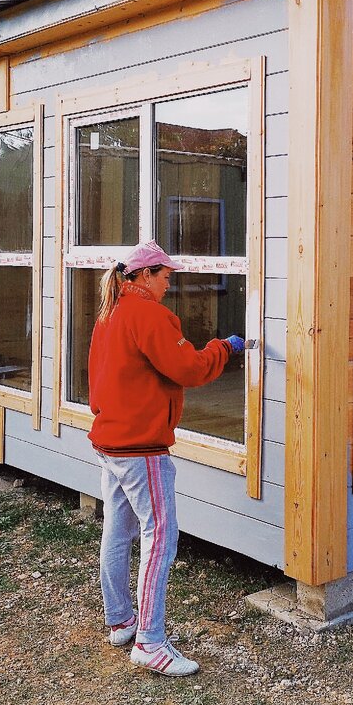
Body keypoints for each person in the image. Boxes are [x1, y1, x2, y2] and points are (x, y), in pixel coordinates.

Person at [87, 239, 244, 677]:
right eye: (165, 275)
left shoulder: (111, 311)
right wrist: (225, 348)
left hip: (111, 440)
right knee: (161, 537)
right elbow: (188, 369)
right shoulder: (147, 314)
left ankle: (121, 622)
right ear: (144, 275)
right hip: (141, 446)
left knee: (118, 533)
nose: (169, 282)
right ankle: (150, 641)